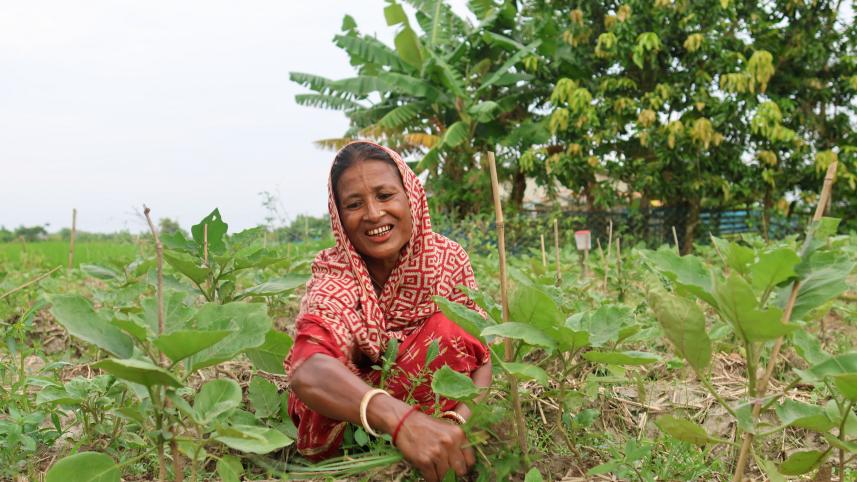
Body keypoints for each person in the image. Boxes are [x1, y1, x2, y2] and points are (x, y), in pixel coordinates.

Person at [285, 141, 492, 481]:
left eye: (384, 196)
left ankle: (438, 443)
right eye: (354, 204)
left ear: (411, 196)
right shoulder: (338, 274)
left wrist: (457, 422)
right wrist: (402, 420)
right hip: (359, 425)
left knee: (451, 330)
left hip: (444, 419)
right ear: (339, 216)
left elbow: (483, 357)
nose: (373, 214)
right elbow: (308, 367)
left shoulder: (446, 260)